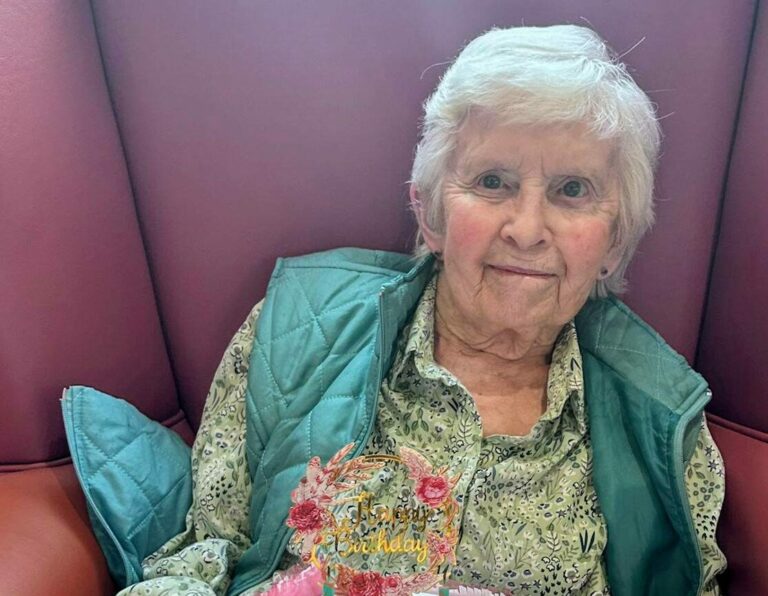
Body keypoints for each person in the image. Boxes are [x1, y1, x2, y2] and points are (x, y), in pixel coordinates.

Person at [120, 24, 726, 596]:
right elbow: (206, 552)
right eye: (493, 181)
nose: (527, 228)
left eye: (573, 190)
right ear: (430, 213)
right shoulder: (297, 328)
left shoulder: (664, 416)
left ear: (614, 239)